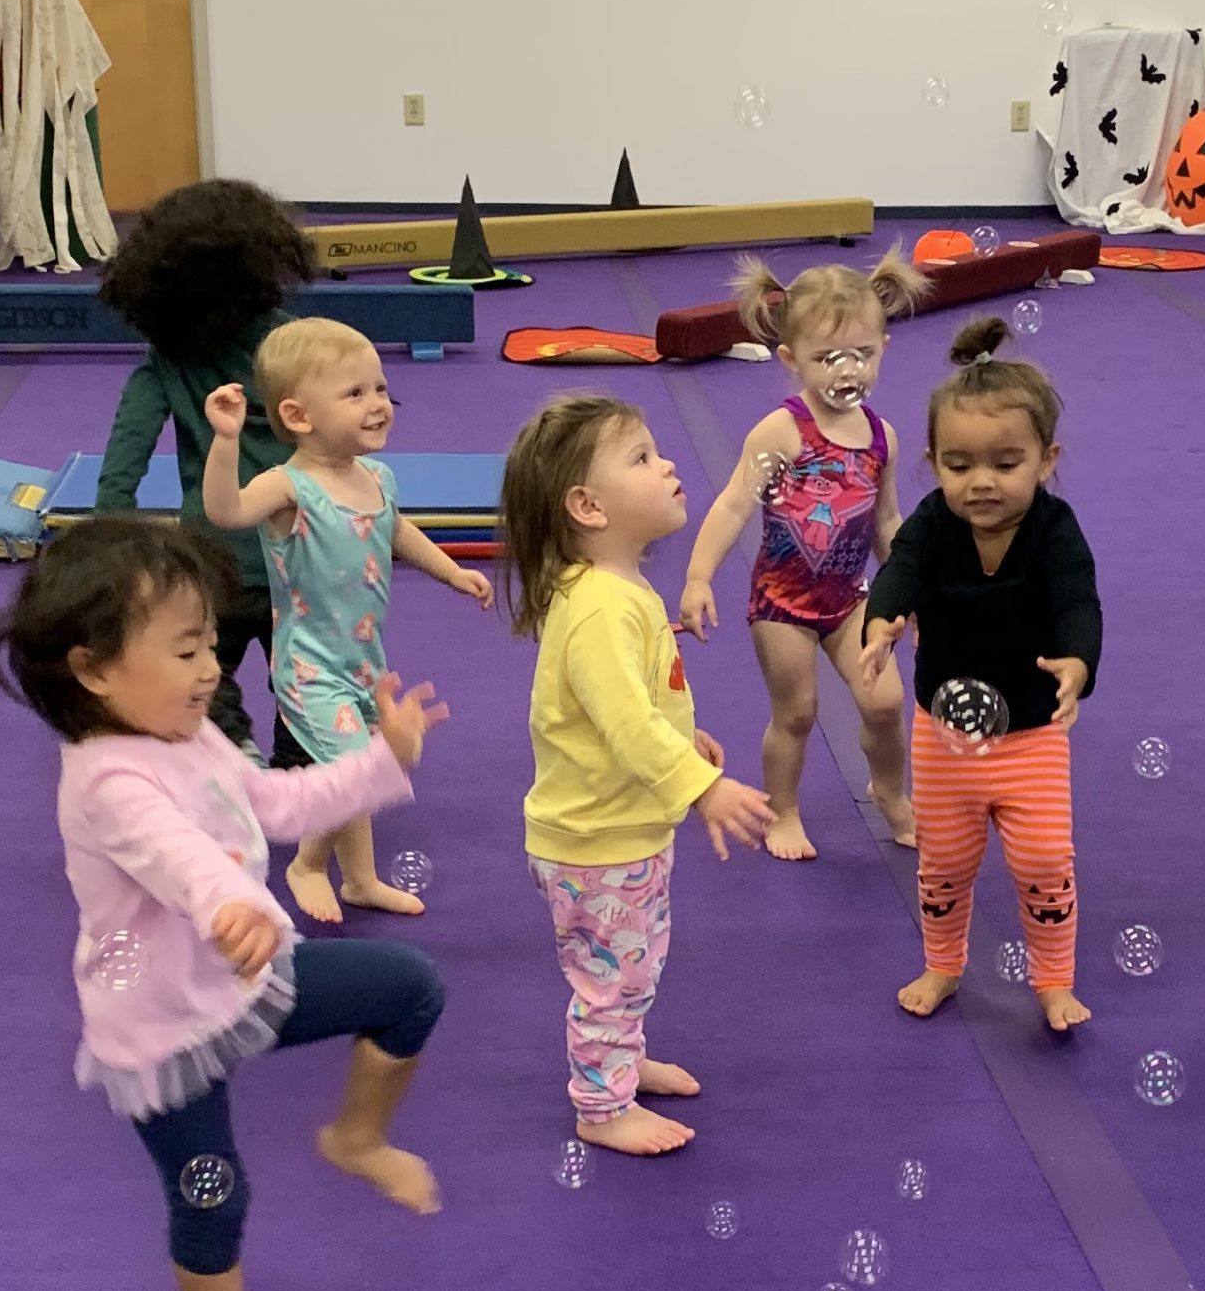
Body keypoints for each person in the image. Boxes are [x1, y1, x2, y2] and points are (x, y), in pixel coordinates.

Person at [0, 518, 449, 1291]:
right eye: (186, 648)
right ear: (92, 670)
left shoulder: (191, 737)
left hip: (240, 982)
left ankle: (357, 1137)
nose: (209, 669)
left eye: (210, 646)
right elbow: (174, 855)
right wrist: (227, 906)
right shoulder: (107, 780)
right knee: (213, 1194)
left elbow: (271, 801)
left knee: (409, 988)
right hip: (161, 1026)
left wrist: (384, 760)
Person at [499, 395, 772, 1157]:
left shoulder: (620, 590)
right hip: (596, 843)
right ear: (588, 505)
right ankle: (599, 1103)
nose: (669, 464)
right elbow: (625, 726)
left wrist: (689, 742)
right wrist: (701, 787)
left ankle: (622, 1056)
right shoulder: (599, 610)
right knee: (612, 978)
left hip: (620, 830)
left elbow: (631, 709)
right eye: (643, 459)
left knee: (635, 960)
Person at [202, 318, 492, 924]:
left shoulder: (377, 478)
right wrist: (226, 439)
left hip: (362, 661)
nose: (378, 404)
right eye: (355, 394)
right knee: (358, 768)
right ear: (299, 416)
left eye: (381, 389)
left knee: (357, 767)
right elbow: (225, 512)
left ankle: (359, 880)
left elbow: (397, 532)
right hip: (310, 669)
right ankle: (308, 863)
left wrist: (452, 572)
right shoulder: (289, 487)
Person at [863, 316, 1104, 1034]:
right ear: (934, 462)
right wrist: (884, 620)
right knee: (944, 864)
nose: (982, 482)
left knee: (1042, 862)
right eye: (959, 464)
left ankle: (1053, 979)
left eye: (1006, 462)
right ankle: (943, 962)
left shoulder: (1055, 531)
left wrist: (1077, 662)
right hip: (945, 737)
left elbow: (1077, 600)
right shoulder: (933, 525)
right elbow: (899, 570)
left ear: (1046, 457)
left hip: (1031, 736)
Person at [678, 251, 924, 857]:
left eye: (862, 354)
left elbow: (886, 518)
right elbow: (735, 503)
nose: (848, 370)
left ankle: (889, 790)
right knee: (797, 712)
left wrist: (910, 587)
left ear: (883, 349)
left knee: (887, 702)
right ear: (791, 360)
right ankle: (782, 810)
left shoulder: (880, 436)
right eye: (827, 358)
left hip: (849, 600)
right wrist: (698, 577)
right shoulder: (780, 433)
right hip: (782, 604)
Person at [95, 179, 316, 753]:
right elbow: (343, 433)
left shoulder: (166, 363)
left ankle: (230, 747)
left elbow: (122, 465)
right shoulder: (292, 345)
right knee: (303, 677)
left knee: (199, 666)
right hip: (297, 552)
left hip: (212, 559)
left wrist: (113, 549)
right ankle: (301, 772)